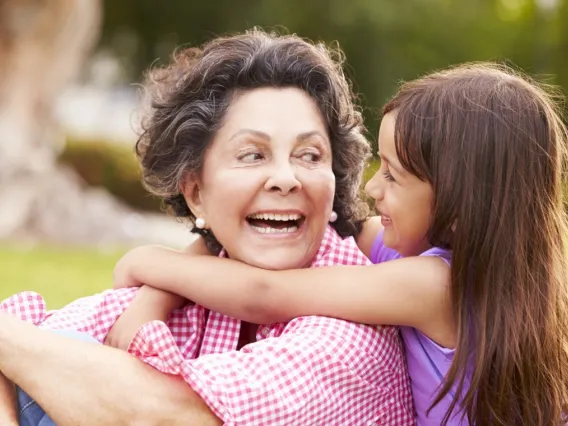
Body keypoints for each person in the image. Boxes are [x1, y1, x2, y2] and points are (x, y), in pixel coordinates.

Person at [106, 63, 568, 426]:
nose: (372, 190)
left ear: (462, 200)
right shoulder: (421, 256)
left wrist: (151, 263)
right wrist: (159, 296)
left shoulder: (435, 284)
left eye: (393, 175)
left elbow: (264, 295)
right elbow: (247, 235)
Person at [0, 29, 416, 425]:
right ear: (196, 192)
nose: (286, 178)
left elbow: (151, 416)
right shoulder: (191, 285)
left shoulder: (354, 332)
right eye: (253, 155)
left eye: (309, 155)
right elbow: (24, 332)